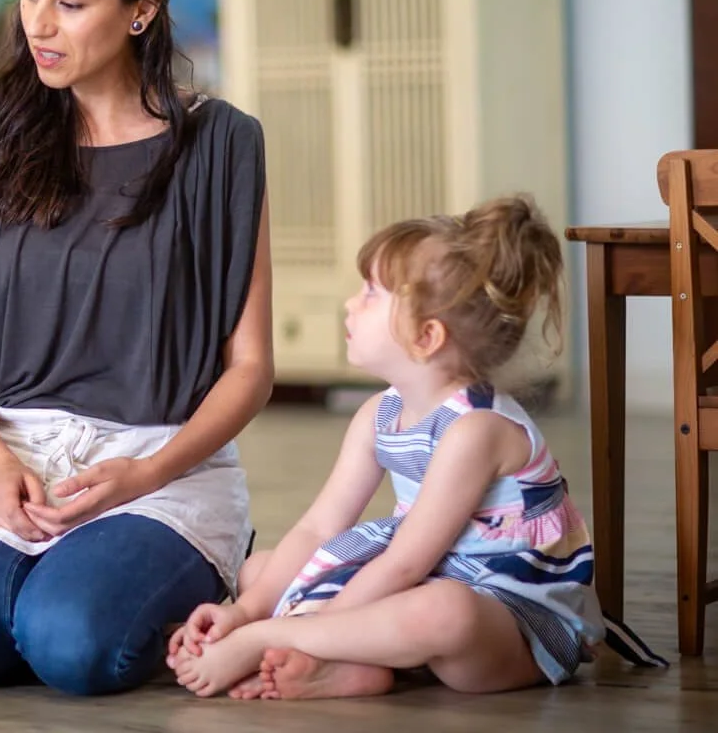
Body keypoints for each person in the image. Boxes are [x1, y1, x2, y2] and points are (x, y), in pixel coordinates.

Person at [0, 0, 274, 696]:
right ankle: (66, 584)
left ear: (142, 9)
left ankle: (185, 565)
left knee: (70, 645)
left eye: (70, 2)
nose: (38, 24)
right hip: (15, 458)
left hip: (155, 465)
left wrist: (146, 475)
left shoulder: (220, 146)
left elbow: (250, 366)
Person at [167, 195, 667, 700]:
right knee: (262, 569)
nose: (350, 302)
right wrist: (244, 610)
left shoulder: (477, 430)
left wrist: (271, 632)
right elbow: (320, 526)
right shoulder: (376, 416)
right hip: (429, 574)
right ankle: (356, 668)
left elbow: (406, 563)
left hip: (511, 618)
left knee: (444, 611)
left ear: (427, 336)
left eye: (370, 292)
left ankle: (318, 652)